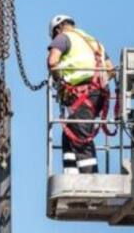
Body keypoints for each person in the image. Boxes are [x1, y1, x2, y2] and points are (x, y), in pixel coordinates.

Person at [47, 14, 112, 174]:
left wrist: (59, 81)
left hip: (84, 95)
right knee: (69, 134)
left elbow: (52, 62)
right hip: (98, 96)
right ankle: (71, 174)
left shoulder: (62, 37)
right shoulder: (93, 42)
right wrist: (98, 83)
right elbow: (111, 69)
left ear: (57, 29)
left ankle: (90, 179)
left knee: (80, 137)